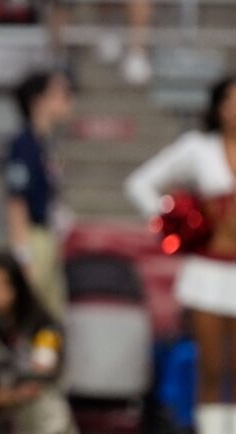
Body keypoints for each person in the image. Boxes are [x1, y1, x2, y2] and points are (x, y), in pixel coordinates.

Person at [125, 76, 236, 434]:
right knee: (211, 367)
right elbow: (140, 183)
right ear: (217, 106)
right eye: (230, 100)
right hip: (207, 273)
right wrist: (174, 223)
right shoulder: (198, 149)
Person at [0, 251, 76, 434]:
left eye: (0, 285)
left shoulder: (44, 328)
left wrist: (9, 397)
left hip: (37, 417)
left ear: (17, 287)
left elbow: (39, 378)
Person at [3, 70, 73, 320]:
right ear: (39, 101)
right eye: (59, 94)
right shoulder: (24, 145)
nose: (68, 101)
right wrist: (23, 253)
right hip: (33, 237)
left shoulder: (46, 144)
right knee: (31, 313)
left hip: (48, 235)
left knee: (53, 314)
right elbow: (16, 200)